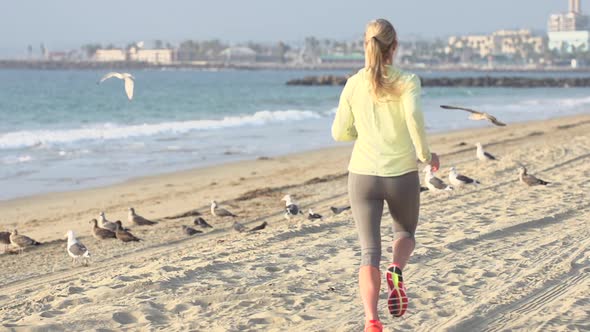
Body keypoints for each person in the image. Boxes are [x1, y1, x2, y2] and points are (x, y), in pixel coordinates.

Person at [331, 18, 439, 332]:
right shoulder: (408, 80)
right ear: (395, 46)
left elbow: (339, 132)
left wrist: (360, 131)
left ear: (365, 45)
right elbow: (414, 119)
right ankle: (396, 268)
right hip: (401, 173)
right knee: (404, 235)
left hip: (362, 175)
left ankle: (372, 321)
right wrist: (425, 155)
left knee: (368, 252)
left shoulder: (353, 83)